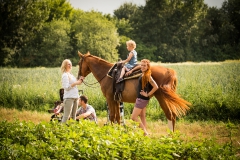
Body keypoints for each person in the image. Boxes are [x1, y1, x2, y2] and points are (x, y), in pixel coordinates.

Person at [131, 59, 158, 136]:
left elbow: (156, 86)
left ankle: (145, 133)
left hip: (142, 99)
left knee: (133, 117)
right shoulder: (143, 74)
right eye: (141, 65)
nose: (142, 67)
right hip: (141, 98)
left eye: (144, 65)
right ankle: (144, 133)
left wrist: (147, 94)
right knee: (142, 116)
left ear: (148, 66)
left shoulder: (147, 75)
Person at [61, 59, 84, 123]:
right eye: (68, 64)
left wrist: (80, 80)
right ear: (65, 65)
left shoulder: (71, 75)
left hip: (75, 98)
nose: (70, 65)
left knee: (74, 116)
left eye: (70, 64)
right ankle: (61, 129)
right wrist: (76, 83)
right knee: (66, 116)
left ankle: (72, 129)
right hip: (69, 98)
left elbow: (77, 83)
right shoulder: (65, 75)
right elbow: (66, 88)